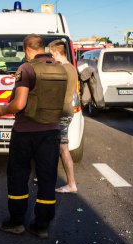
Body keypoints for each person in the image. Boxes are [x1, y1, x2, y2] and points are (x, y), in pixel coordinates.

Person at [0, 34, 65, 239]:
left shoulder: (26, 68)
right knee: (47, 178)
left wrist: (2, 109)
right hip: (51, 131)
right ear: (42, 48)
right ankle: (41, 225)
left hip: (26, 131)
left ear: (26, 50)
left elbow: (19, 104)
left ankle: (16, 222)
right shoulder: (59, 68)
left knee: (18, 176)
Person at [48, 40, 78, 194]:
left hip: (62, 113)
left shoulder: (61, 69)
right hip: (67, 111)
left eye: (51, 53)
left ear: (56, 52)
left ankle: (71, 184)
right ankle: (47, 177)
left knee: (63, 148)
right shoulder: (71, 68)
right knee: (56, 146)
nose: (50, 56)